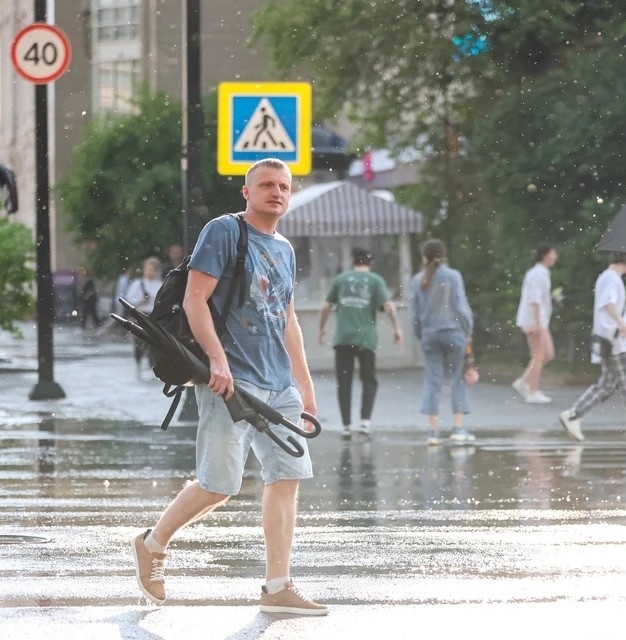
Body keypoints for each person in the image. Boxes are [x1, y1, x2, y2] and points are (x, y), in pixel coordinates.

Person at [130, 158, 326, 615]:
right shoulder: (224, 231)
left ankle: (278, 585)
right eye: (266, 185)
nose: (276, 192)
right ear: (247, 191)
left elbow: (288, 319)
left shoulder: (285, 249)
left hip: (279, 385)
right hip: (229, 382)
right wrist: (216, 361)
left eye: (283, 186)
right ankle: (153, 543)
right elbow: (194, 299)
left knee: (287, 477)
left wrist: (306, 385)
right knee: (219, 485)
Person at [318, 246, 402, 439]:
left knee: (344, 382)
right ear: (371, 263)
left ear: (354, 262)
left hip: (343, 338)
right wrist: (397, 327)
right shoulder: (375, 281)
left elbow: (325, 306)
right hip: (366, 339)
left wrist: (321, 328)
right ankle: (365, 422)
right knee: (369, 380)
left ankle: (346, 425)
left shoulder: (341, 279)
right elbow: (388, 306)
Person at [559, 252, 626, 442]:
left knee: (606, 385)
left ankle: (573, 415)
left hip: (613, 340)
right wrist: (622, 324)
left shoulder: (606, 277)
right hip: (615, 342)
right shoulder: (612, 278)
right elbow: (609, 303)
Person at [410, 238, 475, 446]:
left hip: (429, 335)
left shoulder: (417, 280)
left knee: (432, 381)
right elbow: (460, 307)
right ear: (443, 255)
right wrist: (468, 331)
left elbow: (415, 315)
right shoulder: (453, 276)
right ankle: (458, 428)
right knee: (457, 378)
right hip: (453, 333)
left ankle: (433, 432)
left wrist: (421, 334)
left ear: (424, 257)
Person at [513, 243, 557, 404]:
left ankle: (524, 381)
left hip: (539, 320)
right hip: (534, 321)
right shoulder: (537, 274)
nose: (555, 257)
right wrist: (538, 324)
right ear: (545, 255)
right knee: (539, 355)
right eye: (553, 253)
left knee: (547, 354)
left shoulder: (541, 273)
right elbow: (535, 300)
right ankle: (532, 390)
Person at [125, 257, 163, 378]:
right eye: (148, 269)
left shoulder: (160, 284)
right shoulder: (137, 284)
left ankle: (153, 366)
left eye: (153, 270)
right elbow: (129, 299)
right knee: (138, 341)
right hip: (140, 315)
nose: (150, 272)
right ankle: (138, 364)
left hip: (154, 316)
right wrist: (141, 300)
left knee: (154, 342)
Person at [79, 267, 101, 331]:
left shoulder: (89, 282)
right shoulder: (87, 282)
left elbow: (91, 291)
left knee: (89, 313)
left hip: (89, 301)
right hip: (88, 301)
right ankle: (97, 324)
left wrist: (86, 297)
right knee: (90, 313)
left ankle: (97, 324)